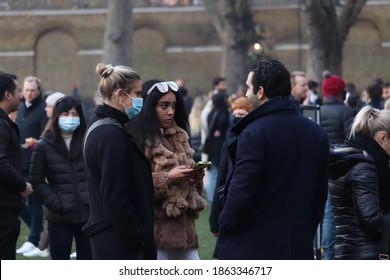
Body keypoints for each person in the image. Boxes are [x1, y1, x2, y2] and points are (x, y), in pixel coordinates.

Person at [216, 58, 329, 260]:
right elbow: (319, 197)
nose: (246, 94)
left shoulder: (254, 133)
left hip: (253, 247)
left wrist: (224, 222)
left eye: (248, 88)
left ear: (260, 91)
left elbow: (241, 193)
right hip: (297, 244)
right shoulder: (317, 133)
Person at [126, 80, 207, 260]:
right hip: (154, 230)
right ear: (149, 106)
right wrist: (168, 178)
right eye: (164, 106)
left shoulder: (179, 135)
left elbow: (187, 185)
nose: (170, 111)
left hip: (184, 230)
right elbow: (132, 185)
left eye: (173, 106)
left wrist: (193, 179)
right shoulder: (134, 137)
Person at [83, 63, 156, 260]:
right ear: (120, 94)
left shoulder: (107, 127)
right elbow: (115, 198)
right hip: (119, 243)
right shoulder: (109, 134)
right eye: (137, 93)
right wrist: (139, 237)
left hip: (114, 237)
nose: (140, 99)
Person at [29, 96, 92, 260]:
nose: (70, 118)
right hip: (59, 217)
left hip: (88, 215)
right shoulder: (44, 145)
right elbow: (36, 180)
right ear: (57, 116)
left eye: (74, 114)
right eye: (65, 114)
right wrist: (56, 203)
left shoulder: (88, 141)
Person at [329, 105, 390, 259]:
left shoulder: (350, 157)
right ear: (383, 137)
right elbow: (371, 221)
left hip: (351, 251)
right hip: (365, 255)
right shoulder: (364, 167)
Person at [209, 96, 252, 259]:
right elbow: (221, 181)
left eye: (241, 114)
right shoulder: (228, 144)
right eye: (234, 114)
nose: (237, 118)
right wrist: (214, 219)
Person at [320, 70, 355, 260]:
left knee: (326, 213)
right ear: (340, 92)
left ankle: (327, 255)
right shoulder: (346, 111)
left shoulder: (317, 110)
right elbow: (351, 139)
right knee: (340, 213)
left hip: (322, 167)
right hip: (342, 167)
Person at [0, 71, 33, 259]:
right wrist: (22, 186)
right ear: (7, 95)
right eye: (19, 90)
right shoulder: (2, 124)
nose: (21, 94)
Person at [15, 76, 48, 255]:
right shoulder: (20, 107)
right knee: (17, 202)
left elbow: (45, 135)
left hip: (34, 163)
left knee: (35, 204)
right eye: (26, 90)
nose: (28, 93)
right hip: (19, 164)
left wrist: (37, 142)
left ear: (38, 91)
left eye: (32, 90)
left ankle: (34, 240)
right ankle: (39, 232)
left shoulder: (42, 109)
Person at [204, 93, 230, 203]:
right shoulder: (222, 113)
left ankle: (211, 198)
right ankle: (216, 198)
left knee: (213, 172)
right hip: (219, 146)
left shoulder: (211, 113)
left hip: (212, 146)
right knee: (218, 173)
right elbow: (223, 124)